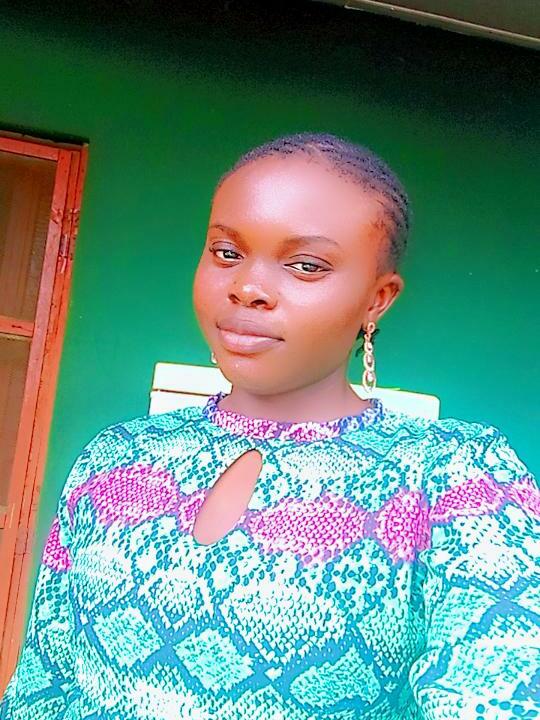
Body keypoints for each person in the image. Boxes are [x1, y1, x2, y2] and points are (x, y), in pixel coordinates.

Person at [1, 132, 538, 720]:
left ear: (377, 299)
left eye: (305, 265)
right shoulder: (116, 458)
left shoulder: (457, 478)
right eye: (226, 252)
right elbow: (42, 686)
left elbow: (501, 685)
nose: (248, 288)